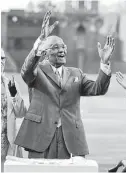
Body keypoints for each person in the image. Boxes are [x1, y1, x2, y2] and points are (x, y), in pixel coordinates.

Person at [15, 11, 115, 159]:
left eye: (63, 47)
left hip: (70, 139)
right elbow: (26, 71)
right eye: (55, 47)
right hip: (40, 137)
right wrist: (41, 40)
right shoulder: (38, 69)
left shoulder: (76, 74)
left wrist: (104, 63)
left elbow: (98, 88)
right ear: (45, 53)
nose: (61, 50)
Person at [1, 48, 26, 172]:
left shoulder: (10, 84)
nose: (1, 62)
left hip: (7, 145)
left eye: (3, 58)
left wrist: (14, 94)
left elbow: (21, 113)